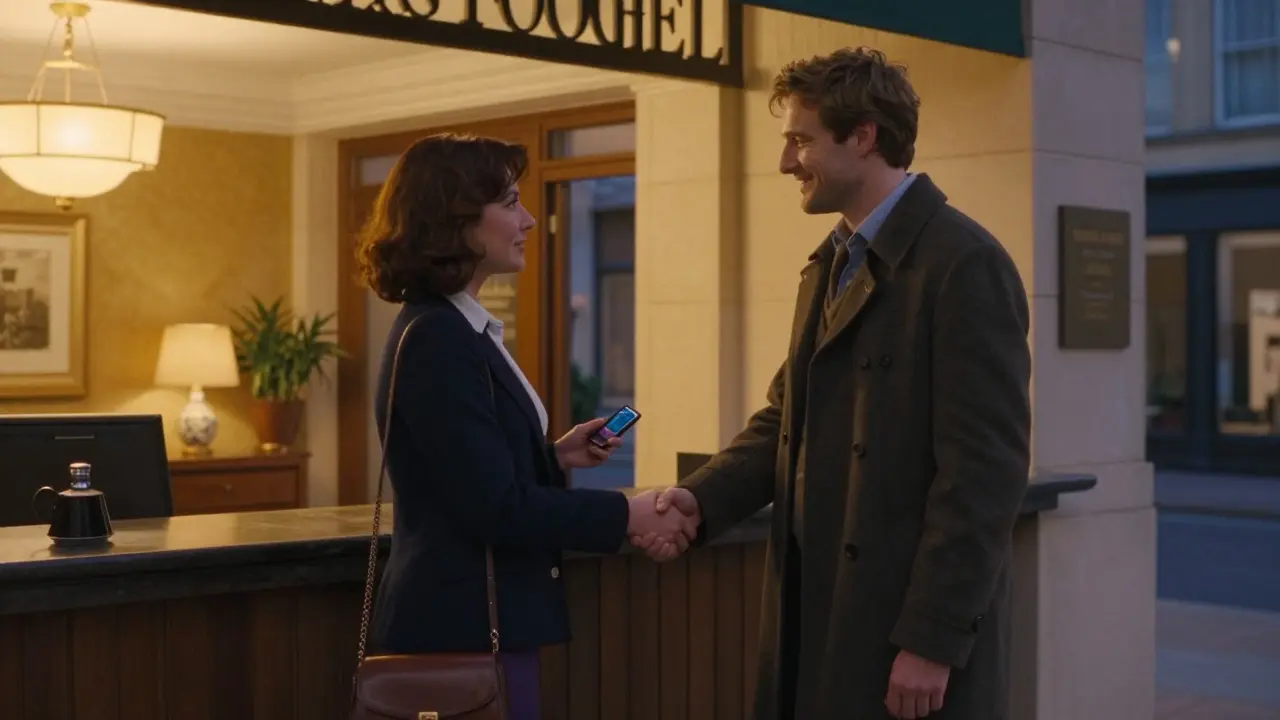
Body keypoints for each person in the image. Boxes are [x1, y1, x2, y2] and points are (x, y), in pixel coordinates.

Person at [633, 47, 1032, 720]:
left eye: (800, 140)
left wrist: (932, 641)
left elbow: (983, 479)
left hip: (900, 645)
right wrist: (698, 501)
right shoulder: (829, 265)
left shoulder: (964, 265)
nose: (787, 162)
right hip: (816, 625)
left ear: (865, 137)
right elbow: (785, 419)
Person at [355, 133, 694, 720]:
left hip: (481, 622)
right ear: (455, 219)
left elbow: (471, 474)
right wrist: (626, 513)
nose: (530, 219)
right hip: (458, 628)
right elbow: (493, 508)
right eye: (510, 202)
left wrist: (552, 458)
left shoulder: (458, 329)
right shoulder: (439, 337)